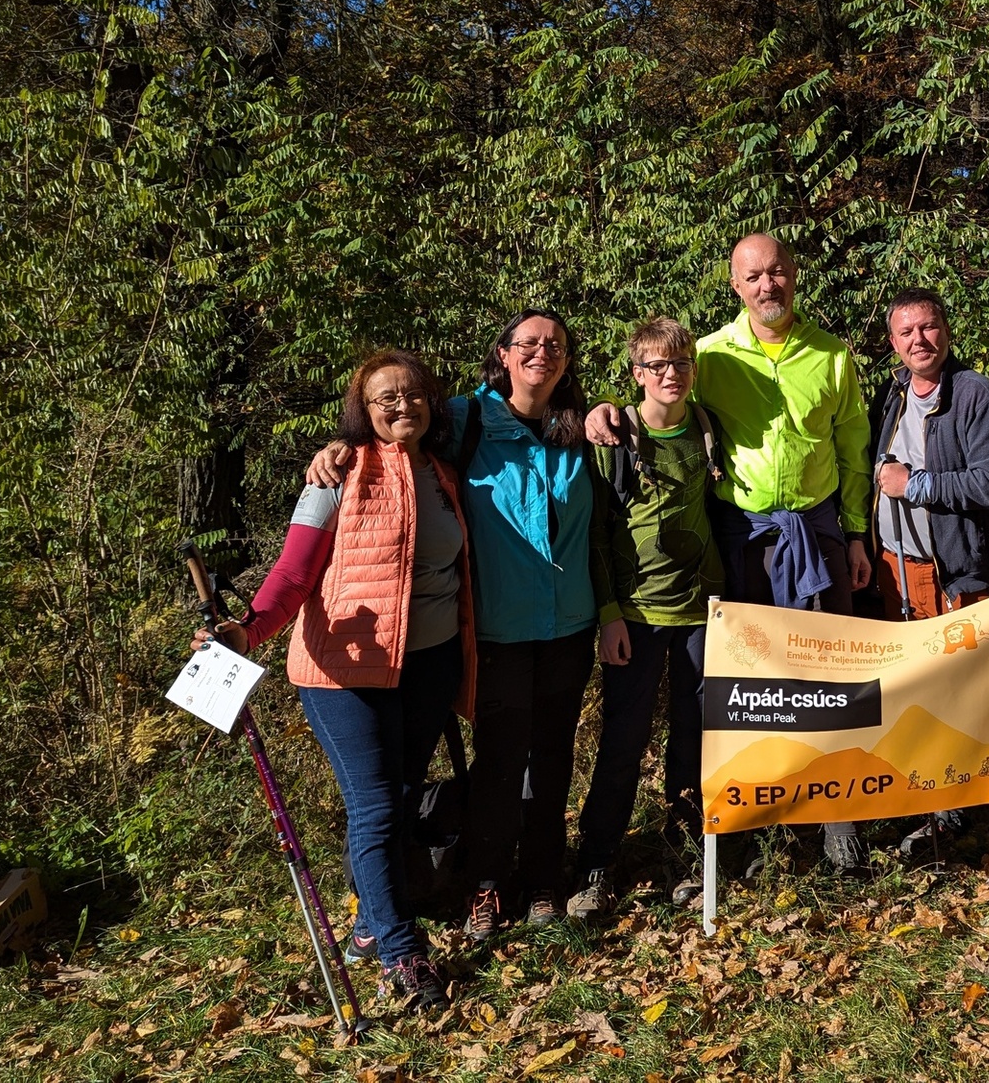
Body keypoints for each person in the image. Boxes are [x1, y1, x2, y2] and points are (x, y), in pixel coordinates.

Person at [309, 310, 614, 942]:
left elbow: (605, 532)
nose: (542, 353)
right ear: (502, 354)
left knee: (554, 755)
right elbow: (397, 443)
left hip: (570, 626)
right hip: (494, 629)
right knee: (500, 760)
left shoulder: (580, 429)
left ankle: (542, 878)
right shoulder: (464, 421)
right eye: (528, 344)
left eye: (555, 345)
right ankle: (486, 881)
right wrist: (340, 449)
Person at [586, 233, 874, 872]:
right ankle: (739, 825)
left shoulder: (832, 356)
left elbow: (854, 449)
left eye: (776, 272)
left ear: (793, 276)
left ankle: (837, 825)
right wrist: (602, 410)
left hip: (816, 536)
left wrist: (856, 534)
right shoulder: (710, 355)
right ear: (736, 286)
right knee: (745, 692)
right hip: (740, 539)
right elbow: (654, 402)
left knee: (828, 681)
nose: (766, 285)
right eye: (753, 277)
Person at [206, 350, 473, 1011]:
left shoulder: (443, 473)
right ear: (364, 410)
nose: (402, 405)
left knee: (403, 795)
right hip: (343, 673)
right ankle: (402, 953)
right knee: (377, 805)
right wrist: (245, 631)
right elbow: (292, 575)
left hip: (428, 664)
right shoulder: (337, 473)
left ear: (432, 403)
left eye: (414, 394)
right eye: (386, 397)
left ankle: (367, 925)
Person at [567, 319, 725, 920]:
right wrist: (608, 615)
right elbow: (599, 535)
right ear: (636, 373)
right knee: (622, 743)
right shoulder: (613, 440)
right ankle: (597, 862)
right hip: (635, 615)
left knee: (693, 738)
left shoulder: (710, 430)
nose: (670, 374)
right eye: (656, 366)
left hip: (702, 613)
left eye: (680, 363)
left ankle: (684, 854)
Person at [869, 287, 989, 867]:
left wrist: (919, 485)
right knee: (919, 698)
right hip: (896, 567)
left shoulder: (975, 394)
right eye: (906, 333)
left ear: (946, 330)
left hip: (956, 571)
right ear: (893, 342)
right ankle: (940, 812)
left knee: (978, 697)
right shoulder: (894, 393)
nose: (918, 341)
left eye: (927, 328)